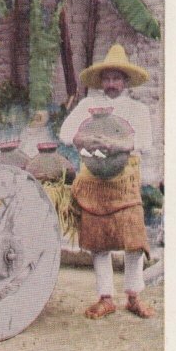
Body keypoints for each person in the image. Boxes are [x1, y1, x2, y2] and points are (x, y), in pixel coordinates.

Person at [59, 44, 156, 319]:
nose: (112, 84)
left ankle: (134, 296)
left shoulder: (137, 109)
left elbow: (146, 143)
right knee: (98, 242)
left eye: (117, 78)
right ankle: (105, 298)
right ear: (101, 82)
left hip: (125, 184)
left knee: (134, 241)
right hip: (94, 184)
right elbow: (65, 133)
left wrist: (119, 143)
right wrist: (85, 139)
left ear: (126, 81)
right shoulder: (87, 106)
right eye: (107, 78)